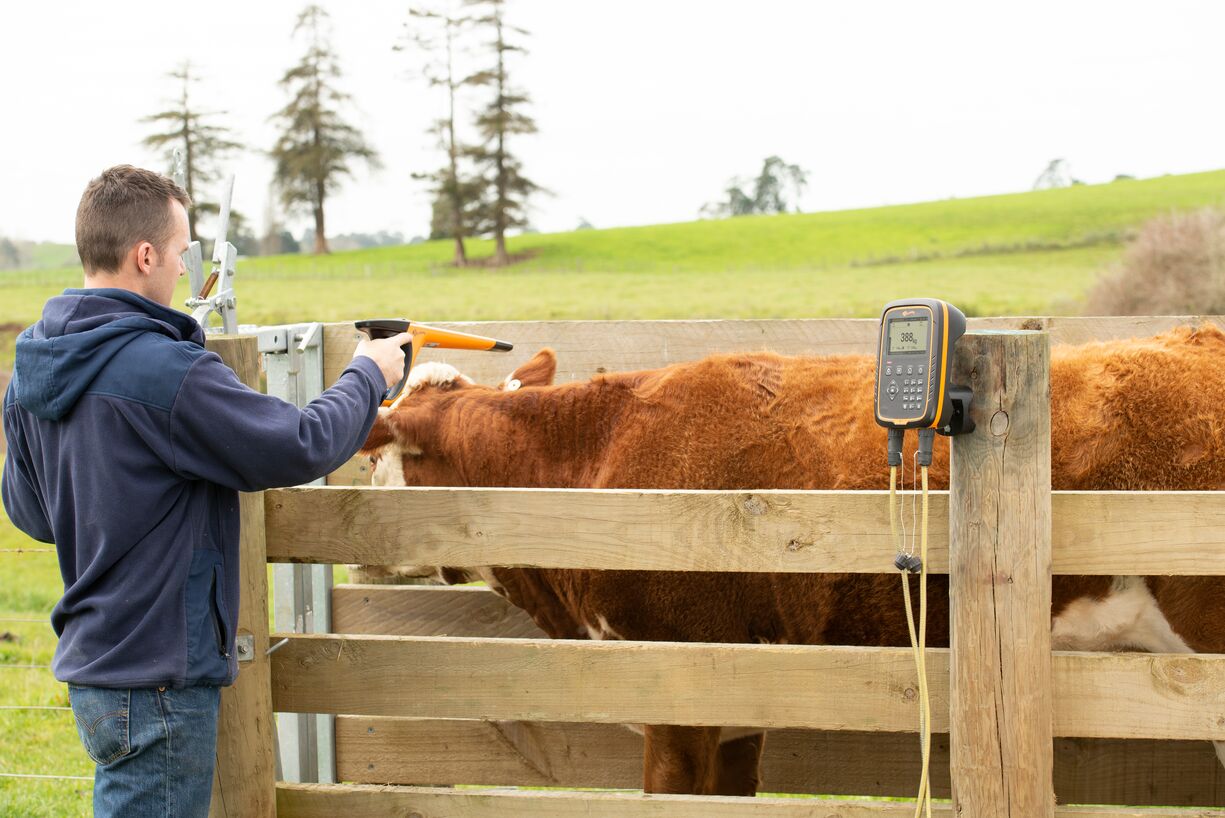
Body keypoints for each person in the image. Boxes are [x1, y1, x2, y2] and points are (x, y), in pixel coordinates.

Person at [0, 165, 409, 817]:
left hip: (97, 668)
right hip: (158, 675)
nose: (186, 266)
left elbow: (32, 513)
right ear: (144, 256)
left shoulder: (33, 368)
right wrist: (368, 373)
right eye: (182, 251)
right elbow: (299, 444)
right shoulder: (163, 369)